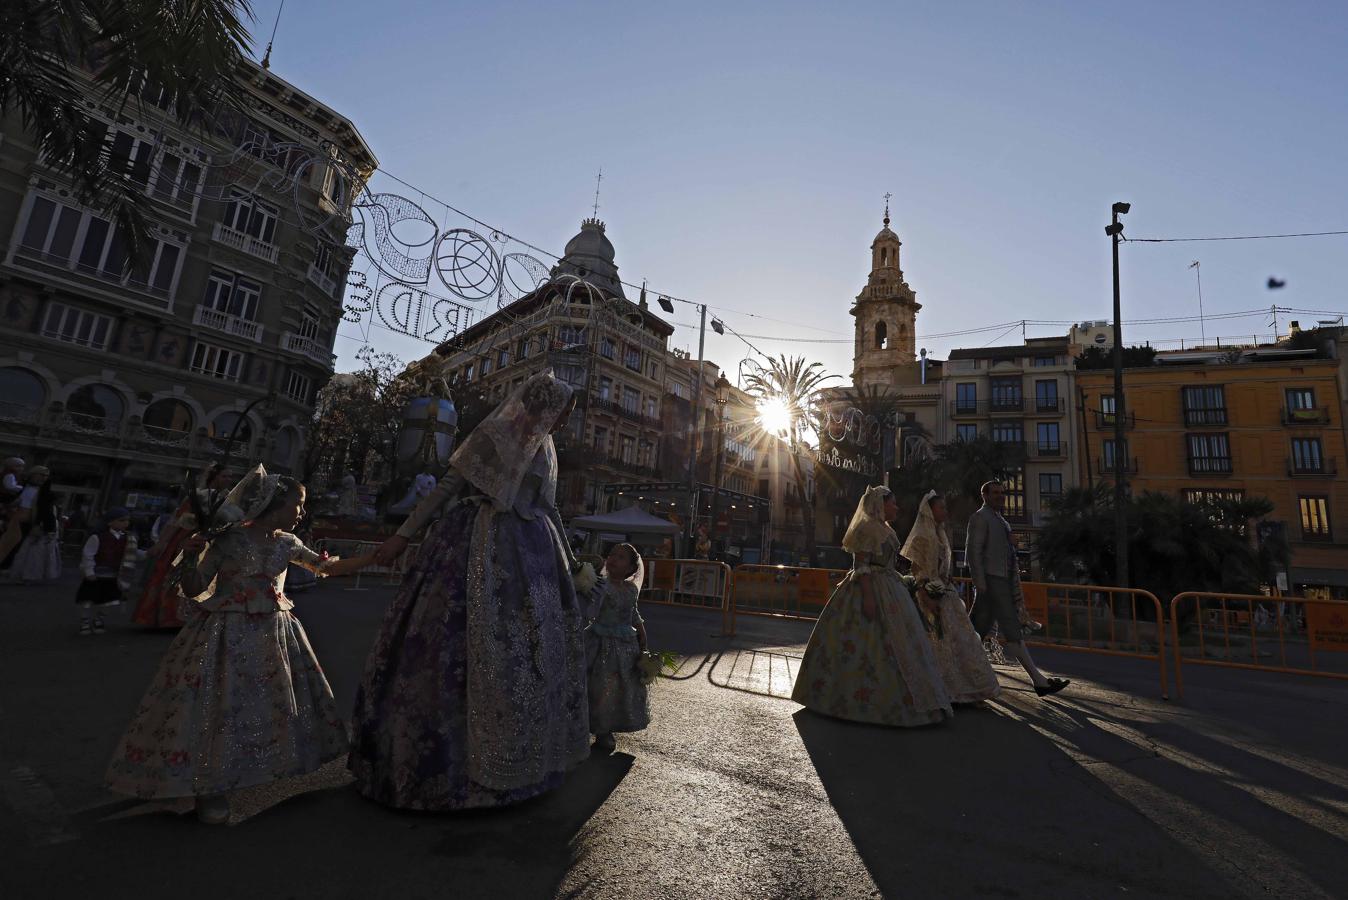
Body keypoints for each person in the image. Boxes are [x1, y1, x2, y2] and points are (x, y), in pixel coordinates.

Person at [349, 372, 591, 810]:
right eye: (563, 411)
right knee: (455, 641)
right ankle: (450, 769)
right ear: (542, 406)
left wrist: (572, 564)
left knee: (528, 654)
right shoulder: (494, 434)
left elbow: (549, 508)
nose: (565, 421)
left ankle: (523, 757)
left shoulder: (548, 448)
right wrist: (403, 535)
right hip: (478, 540)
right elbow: (448, 487)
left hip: (534, 550)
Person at [105, 466, 373, 824]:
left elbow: (325, 568)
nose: (302, 513)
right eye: (298, 505)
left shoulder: (287, 543)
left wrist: (375, 558)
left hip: (274, 631)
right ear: (275, 505)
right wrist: (188, 556)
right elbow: (195, 587)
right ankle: (208, 787)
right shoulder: (228, 539)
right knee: (216, 707)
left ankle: (245, 771)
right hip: (223, 632)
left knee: (263, 706)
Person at [791, 485, 953, 727]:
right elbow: (862, 566)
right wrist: (867, 597)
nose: (897, 507)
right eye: (893, 503)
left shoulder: (885, 529)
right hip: (868, 588)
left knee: (902, 643)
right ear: (881, 504)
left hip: (890, 587)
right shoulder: (866, 527)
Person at [965, 481, 1069, 697]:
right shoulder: (980, 518)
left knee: (975, 632)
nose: (1000, 496)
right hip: (992, 582)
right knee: (1010, 630)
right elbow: (973, 551)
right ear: (984, 494)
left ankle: (959, 673)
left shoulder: (1000, 520)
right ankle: (1039, 681)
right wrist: (980, 582)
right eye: (995, 493)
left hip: (1001, 580)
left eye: (1002, 493)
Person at [901, 491, 1000, 703]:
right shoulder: (922, 536)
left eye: (945, 507)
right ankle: (939, 688)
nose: (945, 511)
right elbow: (917, 568)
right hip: (928, 594)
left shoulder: (940, 533)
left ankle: (970, 687)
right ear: (930, 510)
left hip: (946, 593)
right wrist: (926, 595)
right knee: (936, 642)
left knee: (962, 640)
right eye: (941, 508)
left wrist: (947, 581)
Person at [131, 464, 235, 628]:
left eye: (230, 477)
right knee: (179, 576)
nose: (228, 480)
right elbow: (177, 522)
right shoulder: (198, 496)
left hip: (213, 542)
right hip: (188, 539)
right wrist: (163, 543)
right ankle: (170, 616)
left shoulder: (228, 498)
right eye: (225, 476)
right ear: (214, 477)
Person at [585, 543, 651, 754]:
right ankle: (598, 729)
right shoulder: (602, 585)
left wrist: (641, 631)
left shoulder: (631, 589)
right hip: (600, 643)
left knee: (619, 688)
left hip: (625, 646)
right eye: (612, 554)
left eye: (621, 557)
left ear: (631, 568)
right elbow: (590, 609)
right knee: (599, 685)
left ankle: (608, 727)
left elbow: (633, 612)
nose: (613, 558)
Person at [76, 507, 141, 636]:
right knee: (87, 599)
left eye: (127, 520)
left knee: (108, 601)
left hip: (114, 575)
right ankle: (85, 621)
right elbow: (88, 554)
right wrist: (89, 571)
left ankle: (99, 619)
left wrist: (148, 553)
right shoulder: (98, 537)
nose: (125, 523)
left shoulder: (128, 539)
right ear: (110, 522)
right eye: (121, 520)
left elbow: (133, 553)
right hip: (96, 574)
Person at [6, 466, 61, 584]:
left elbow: (47, 511)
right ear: (33, 475)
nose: (43, 478)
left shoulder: (46, 493)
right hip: (16, 521)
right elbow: (18, 501)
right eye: (40, 475)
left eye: (45, 476)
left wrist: (41, 526)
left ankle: (24, 575)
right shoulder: (24, 488)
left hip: (32, 524)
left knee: (27, 552)